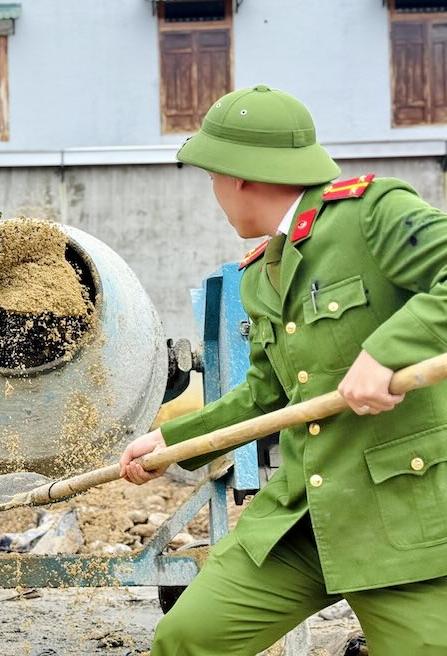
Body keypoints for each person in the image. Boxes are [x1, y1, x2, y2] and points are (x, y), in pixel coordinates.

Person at [118, 85, 447, 655]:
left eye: (213, 177)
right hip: (301, 519)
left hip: (396, 515)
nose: (215, 193)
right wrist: (172, 442)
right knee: (187, 639)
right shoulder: (259, 273)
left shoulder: (372, 214)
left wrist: (387, 352)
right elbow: (265, 394)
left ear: (239, 175)